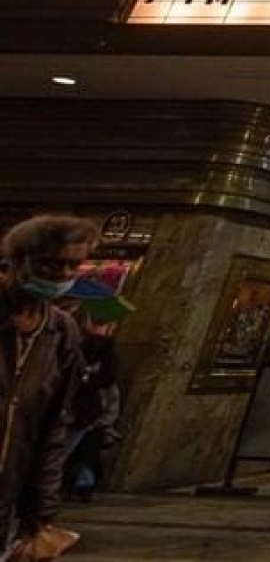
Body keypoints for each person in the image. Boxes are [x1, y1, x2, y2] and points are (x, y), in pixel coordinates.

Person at [0, 216, 94, 562]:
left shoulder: (61, 332)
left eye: (73, 265)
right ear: (16, 260)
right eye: (51, 263)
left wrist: (40, 516)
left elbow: (53, 428)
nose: (63, 274)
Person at [57, 303, 119, 503]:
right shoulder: (67, 340)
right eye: (97, 322)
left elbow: (108, 377)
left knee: (63, 455)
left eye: (104, 323)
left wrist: (86, 378)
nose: (101, 327)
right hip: (61, 408)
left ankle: (80, 486)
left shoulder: (103, 348)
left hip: (83, 412)